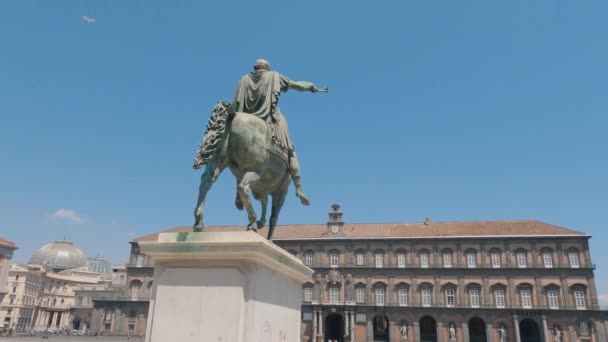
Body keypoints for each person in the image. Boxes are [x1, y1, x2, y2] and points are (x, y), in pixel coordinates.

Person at [233, 59, 322, 207]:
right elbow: (298, 85)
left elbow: (235, 104)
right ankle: (299, 189)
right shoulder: (273, 76)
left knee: (239, 158)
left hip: (243, 120)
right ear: (267, 68)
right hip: (268, 119)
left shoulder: (244, 79)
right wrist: (311, 87)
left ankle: (238, 192)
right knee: (291, 150)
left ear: (255, 67)